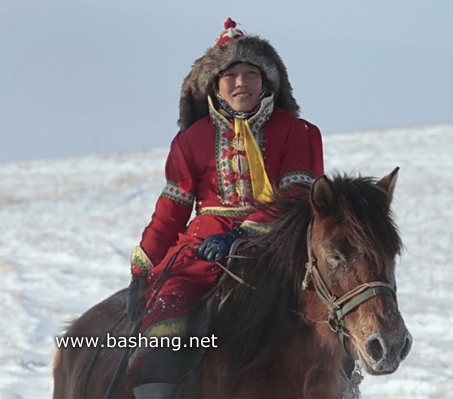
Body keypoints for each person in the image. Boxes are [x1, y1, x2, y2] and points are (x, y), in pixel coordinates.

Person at [125, 18, 324, 399]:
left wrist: (245, 232)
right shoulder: (189, 140)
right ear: (213, 84)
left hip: (279, 245)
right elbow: (172, 207)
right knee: (169, 312)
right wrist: (143, 266)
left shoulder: (297, 132)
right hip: (202, 249)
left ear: (267, 82)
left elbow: (297, 196)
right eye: (230, 74)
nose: (241, 83)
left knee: (331, 307)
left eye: (251, 73)